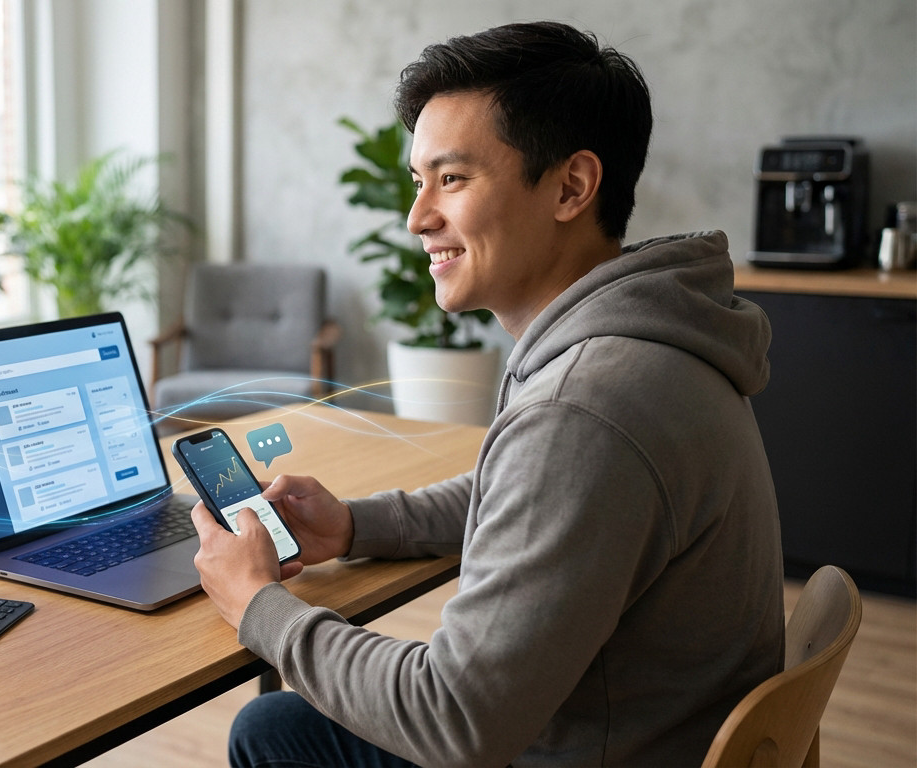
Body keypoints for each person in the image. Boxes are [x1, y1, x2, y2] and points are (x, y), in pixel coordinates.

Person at [190, 20, 784, 768]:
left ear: (571, 186)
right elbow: (524, 496)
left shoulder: (585, 407)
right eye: (418, 182)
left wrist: (257, 607)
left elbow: (455, 722)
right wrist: (353, 526)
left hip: (585, 748)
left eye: (453, 178)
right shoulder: (648, 345)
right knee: (280, 724)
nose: (418, 219)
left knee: (269, 732)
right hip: (649, 728)